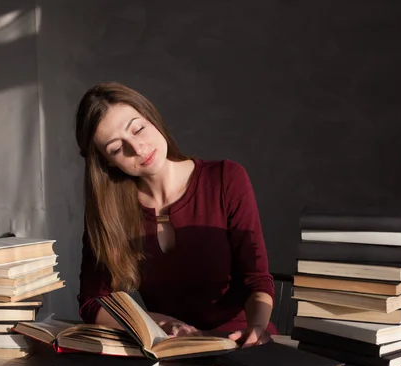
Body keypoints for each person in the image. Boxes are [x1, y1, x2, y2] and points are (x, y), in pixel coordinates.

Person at [75, 82, 277, 347]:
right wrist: (158, 321)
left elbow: (258, 279)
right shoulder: (109, 213)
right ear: (106, 162)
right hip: (170, 351)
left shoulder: (226, 178)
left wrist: (257, 327)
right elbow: (92, 302)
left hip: (240, 344)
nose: (137, 148)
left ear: (151, 118)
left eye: (138, 128)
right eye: (116, 148)